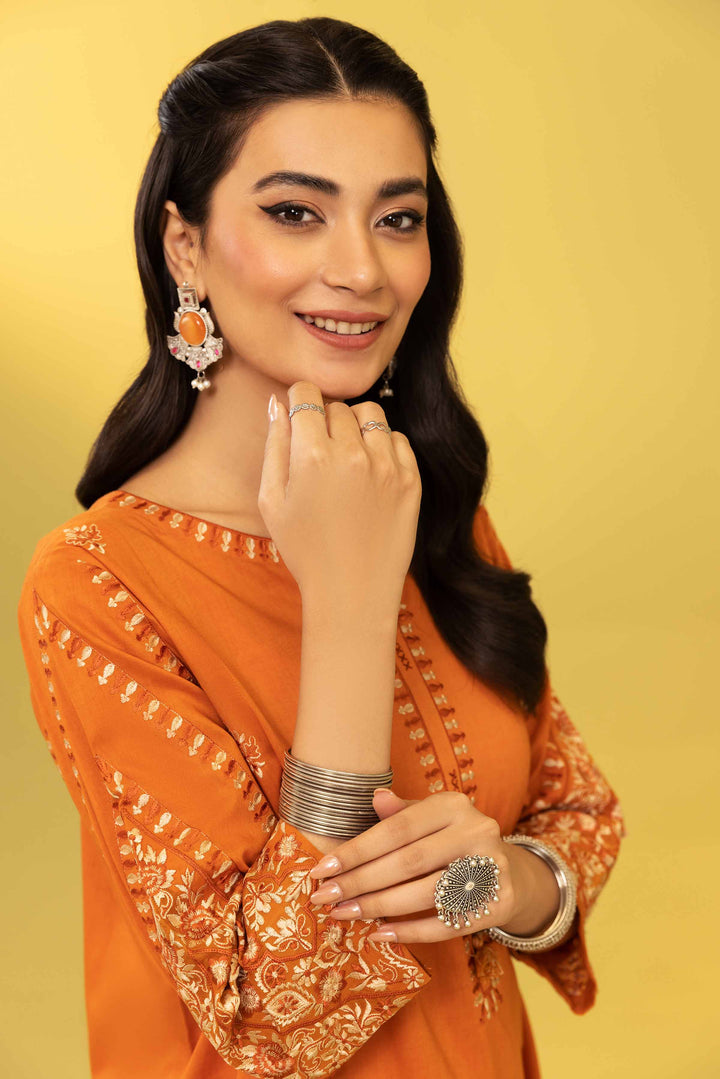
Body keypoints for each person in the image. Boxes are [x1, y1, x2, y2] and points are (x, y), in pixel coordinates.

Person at [17, 16, 625, 1079]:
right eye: (296, 212)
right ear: (185, 245)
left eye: (398, 218)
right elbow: (271, 1014)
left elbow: (574, 812)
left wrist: (494, 883)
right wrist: (348, 603)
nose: (362, 268)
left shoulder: (426, 503)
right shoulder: (97, 584)